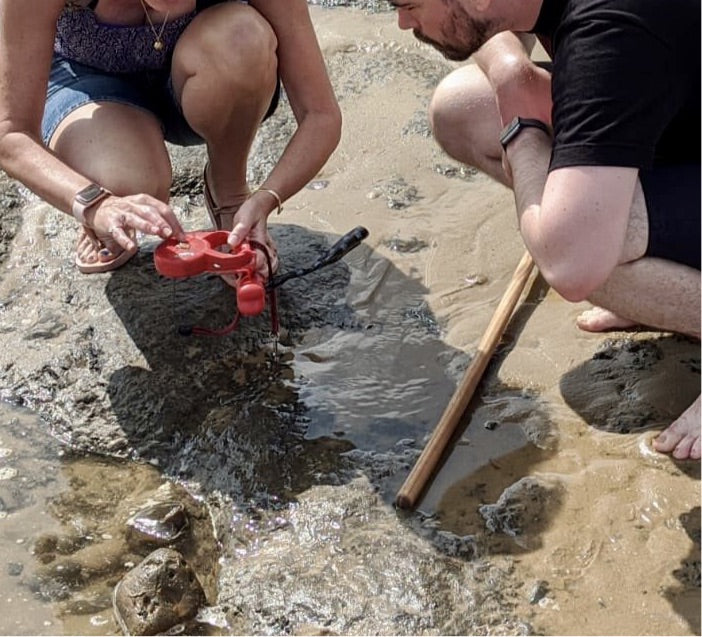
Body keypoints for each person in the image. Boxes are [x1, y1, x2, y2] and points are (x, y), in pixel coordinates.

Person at [389, 0, 701, 460]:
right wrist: (512, 71)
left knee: (580, 244)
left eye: (408, 4)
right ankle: (674, 290)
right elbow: (489, 38)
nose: (402, 23)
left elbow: (570, 264)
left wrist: (523, 128)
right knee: (462, 107)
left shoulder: (608, 31)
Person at [0, 0, 341, 279]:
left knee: (243, 39)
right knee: (130, 185)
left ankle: (230, 190)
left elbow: (321, 115)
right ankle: (106, 203)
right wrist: (93, 202)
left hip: (201, 68)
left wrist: (266, 198)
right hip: (85, 82)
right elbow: (11, 133)